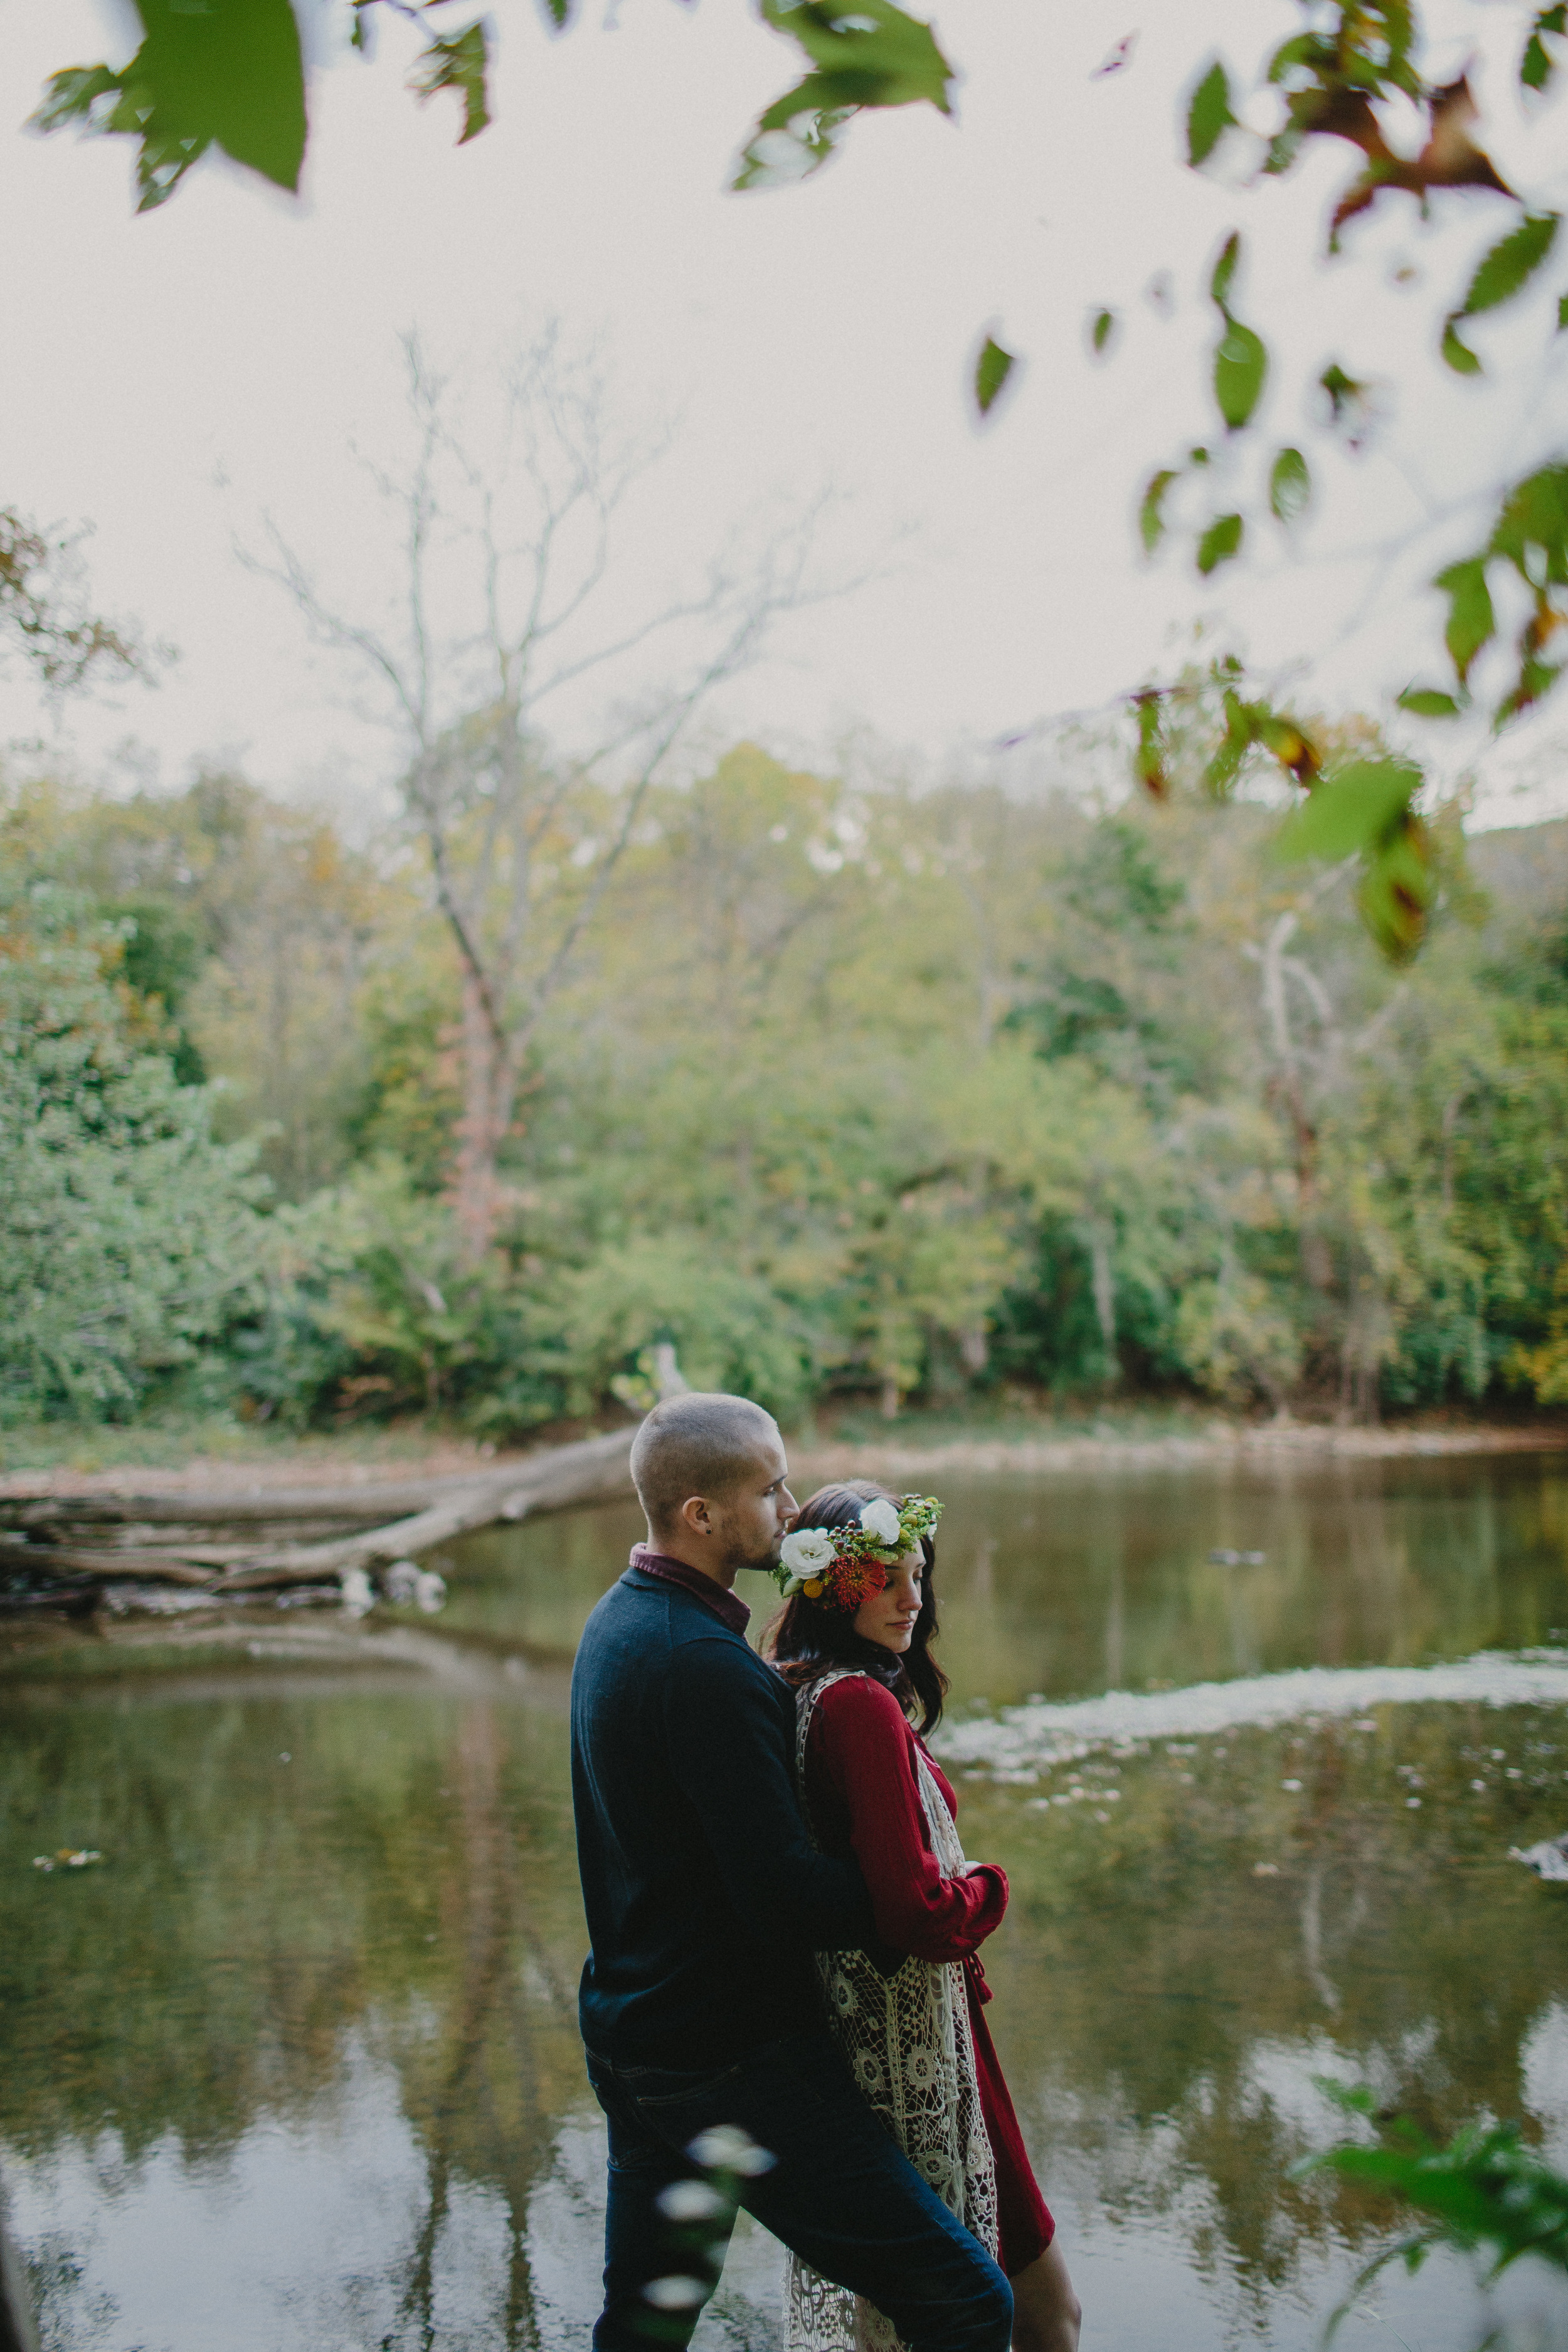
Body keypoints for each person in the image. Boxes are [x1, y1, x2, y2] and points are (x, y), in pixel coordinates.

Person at [570, 1392, 1016, 2352]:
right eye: (771, 1487)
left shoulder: (616, 1621)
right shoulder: (704, 1665)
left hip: (632, 2037)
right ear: (702, 1514)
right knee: (968, 2301)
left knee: (646, 2326)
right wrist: (927, 1899)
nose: (790, 1503)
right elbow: (784, 1898)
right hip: (733, 2061)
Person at [765, 1479, 1082, 2352]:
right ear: (834, 1586)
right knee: (1046, 2315)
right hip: (922, 2040)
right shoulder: (858, 1705)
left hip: (877, 2032)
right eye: (888, 1579)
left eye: (919, 1574)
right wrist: (990, 1886)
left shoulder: (798, 1687)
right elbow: (916, 1911)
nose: (914, 1598)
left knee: (977, 2306)